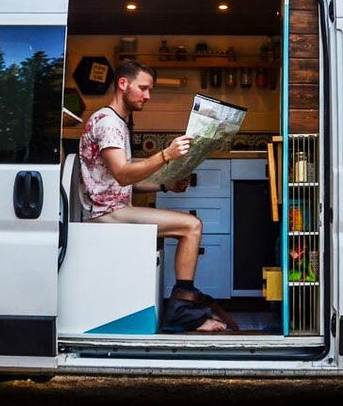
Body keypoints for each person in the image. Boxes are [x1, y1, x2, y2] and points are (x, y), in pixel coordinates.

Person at [79, 59, 238, 333]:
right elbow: (124, 174)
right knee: (192, 226)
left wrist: (165, 186)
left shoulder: (117, 121)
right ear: (122, 84)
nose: (147, 96)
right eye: (143, 88)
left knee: (189, 227)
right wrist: (166, 155)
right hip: (104, 215)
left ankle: (183, 306)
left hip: (112, 208)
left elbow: (123, 182)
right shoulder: (107, 123)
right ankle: (183, 311)